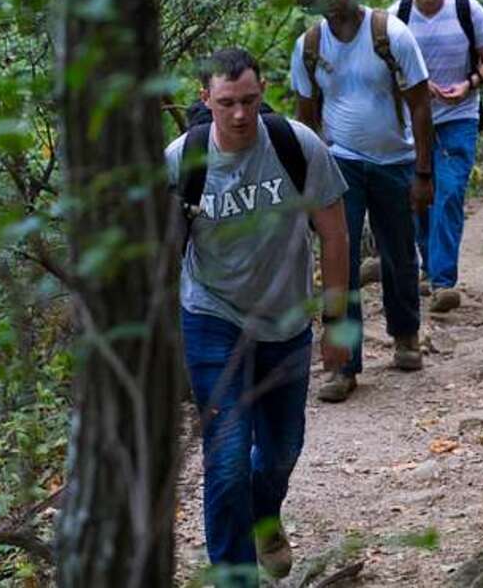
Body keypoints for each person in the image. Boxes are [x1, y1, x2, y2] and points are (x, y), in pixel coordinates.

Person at [171, 47, 351, 581]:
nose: (241, 115)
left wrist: (338, 324)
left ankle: (265, 513)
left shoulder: (297, 145)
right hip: (211, 317)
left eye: (250, 100)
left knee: (280, 450)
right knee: (225, 462)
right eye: (227, 103)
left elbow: (335, 234)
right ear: (206, 99)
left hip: (286, 319)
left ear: (264, 90)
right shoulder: (183, 160)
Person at [291, 0, 434, 403]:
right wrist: (310, 181)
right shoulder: (309, 45)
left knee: (398, 253)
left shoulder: (391, 35)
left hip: (395, 160)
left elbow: (421, 106)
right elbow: (306, 115)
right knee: (340, 263)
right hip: (340, 165)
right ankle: (342, 365)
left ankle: (406, 335)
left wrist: (424, 173)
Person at [390, 0, 483, 314]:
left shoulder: (468, 10)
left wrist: (468, 84)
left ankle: (442, 282)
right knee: (418, 198)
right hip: (411, 121)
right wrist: (418, 88)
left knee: (449, 193)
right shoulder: (397, 16)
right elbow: (385, 69)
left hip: (460, 116)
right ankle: (425, 267)